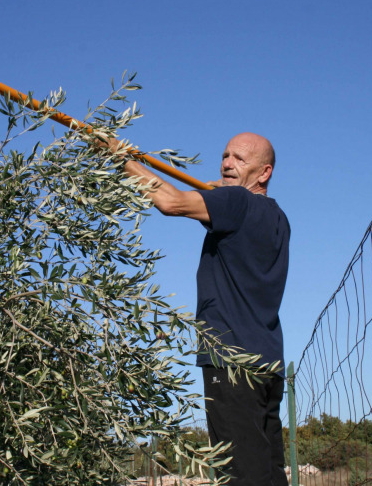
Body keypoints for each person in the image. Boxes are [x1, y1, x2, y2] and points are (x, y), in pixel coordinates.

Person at [121, 132, 290, 486]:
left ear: (264, 173)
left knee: (241, 477)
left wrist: (120, 158)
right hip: (267, 365)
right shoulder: (276, 218)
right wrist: (217, 197)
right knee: (269, 473)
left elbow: (169, 202)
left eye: (240, 159)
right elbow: (223, 224)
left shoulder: (235, 203)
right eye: (225, 155)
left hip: (231, 363)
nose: (227, 163)